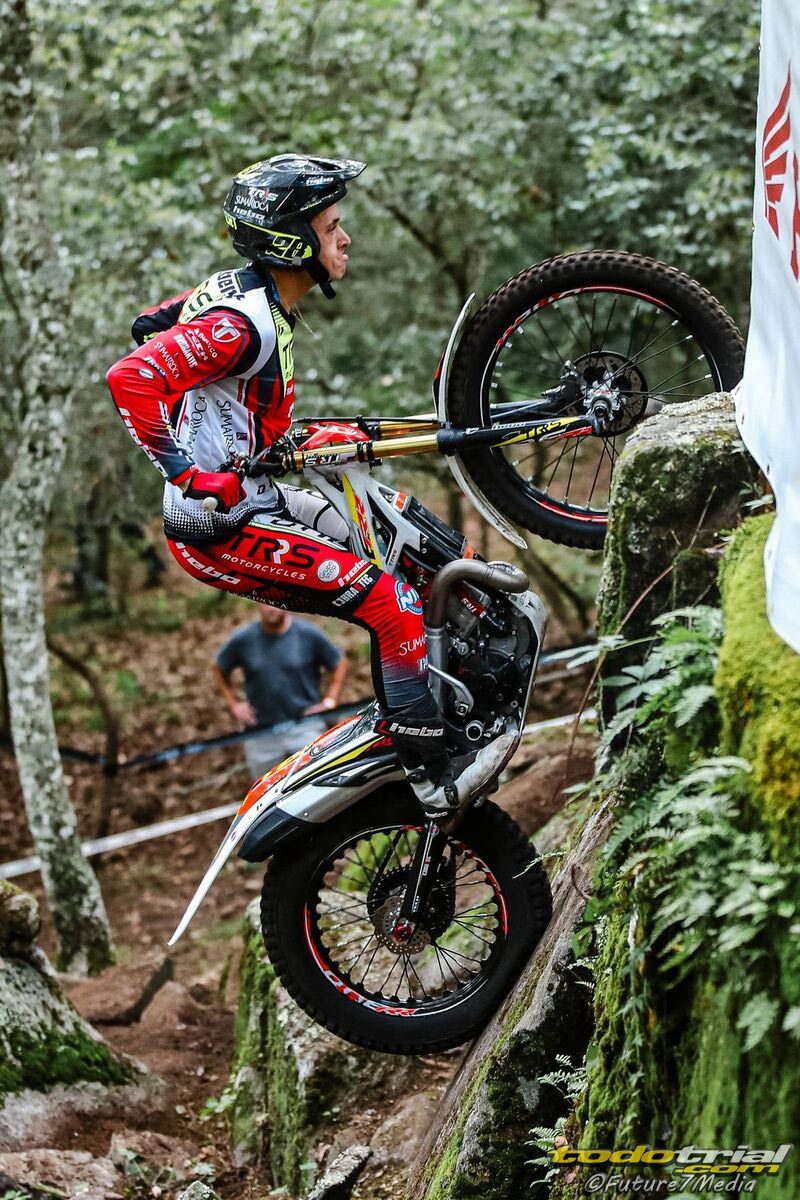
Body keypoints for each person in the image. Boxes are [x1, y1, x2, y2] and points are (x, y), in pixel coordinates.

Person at [106, 153, 509, 814]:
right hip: (217, 527)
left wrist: (238, 432)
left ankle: (460, 676)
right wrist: (191, 472)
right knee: (389, 603)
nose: (344, 238)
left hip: (259, 495)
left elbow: (150, 325)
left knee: (400, 526)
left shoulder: (243, 295)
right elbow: (131, 376)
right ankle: (429, 772)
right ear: (291, 243)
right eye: (330, 228)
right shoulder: (242, 325)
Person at [213, 603, 349, 779]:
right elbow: (218, 667)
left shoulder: (307, 633)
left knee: (318, 780)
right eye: (265, 603)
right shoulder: (244, 639)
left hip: (305, 725)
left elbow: (339, 663)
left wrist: (330, 701)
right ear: (257, 604)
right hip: (261, 731)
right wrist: (234, 704)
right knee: (266, 788)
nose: (271, 608)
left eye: (275, 603)